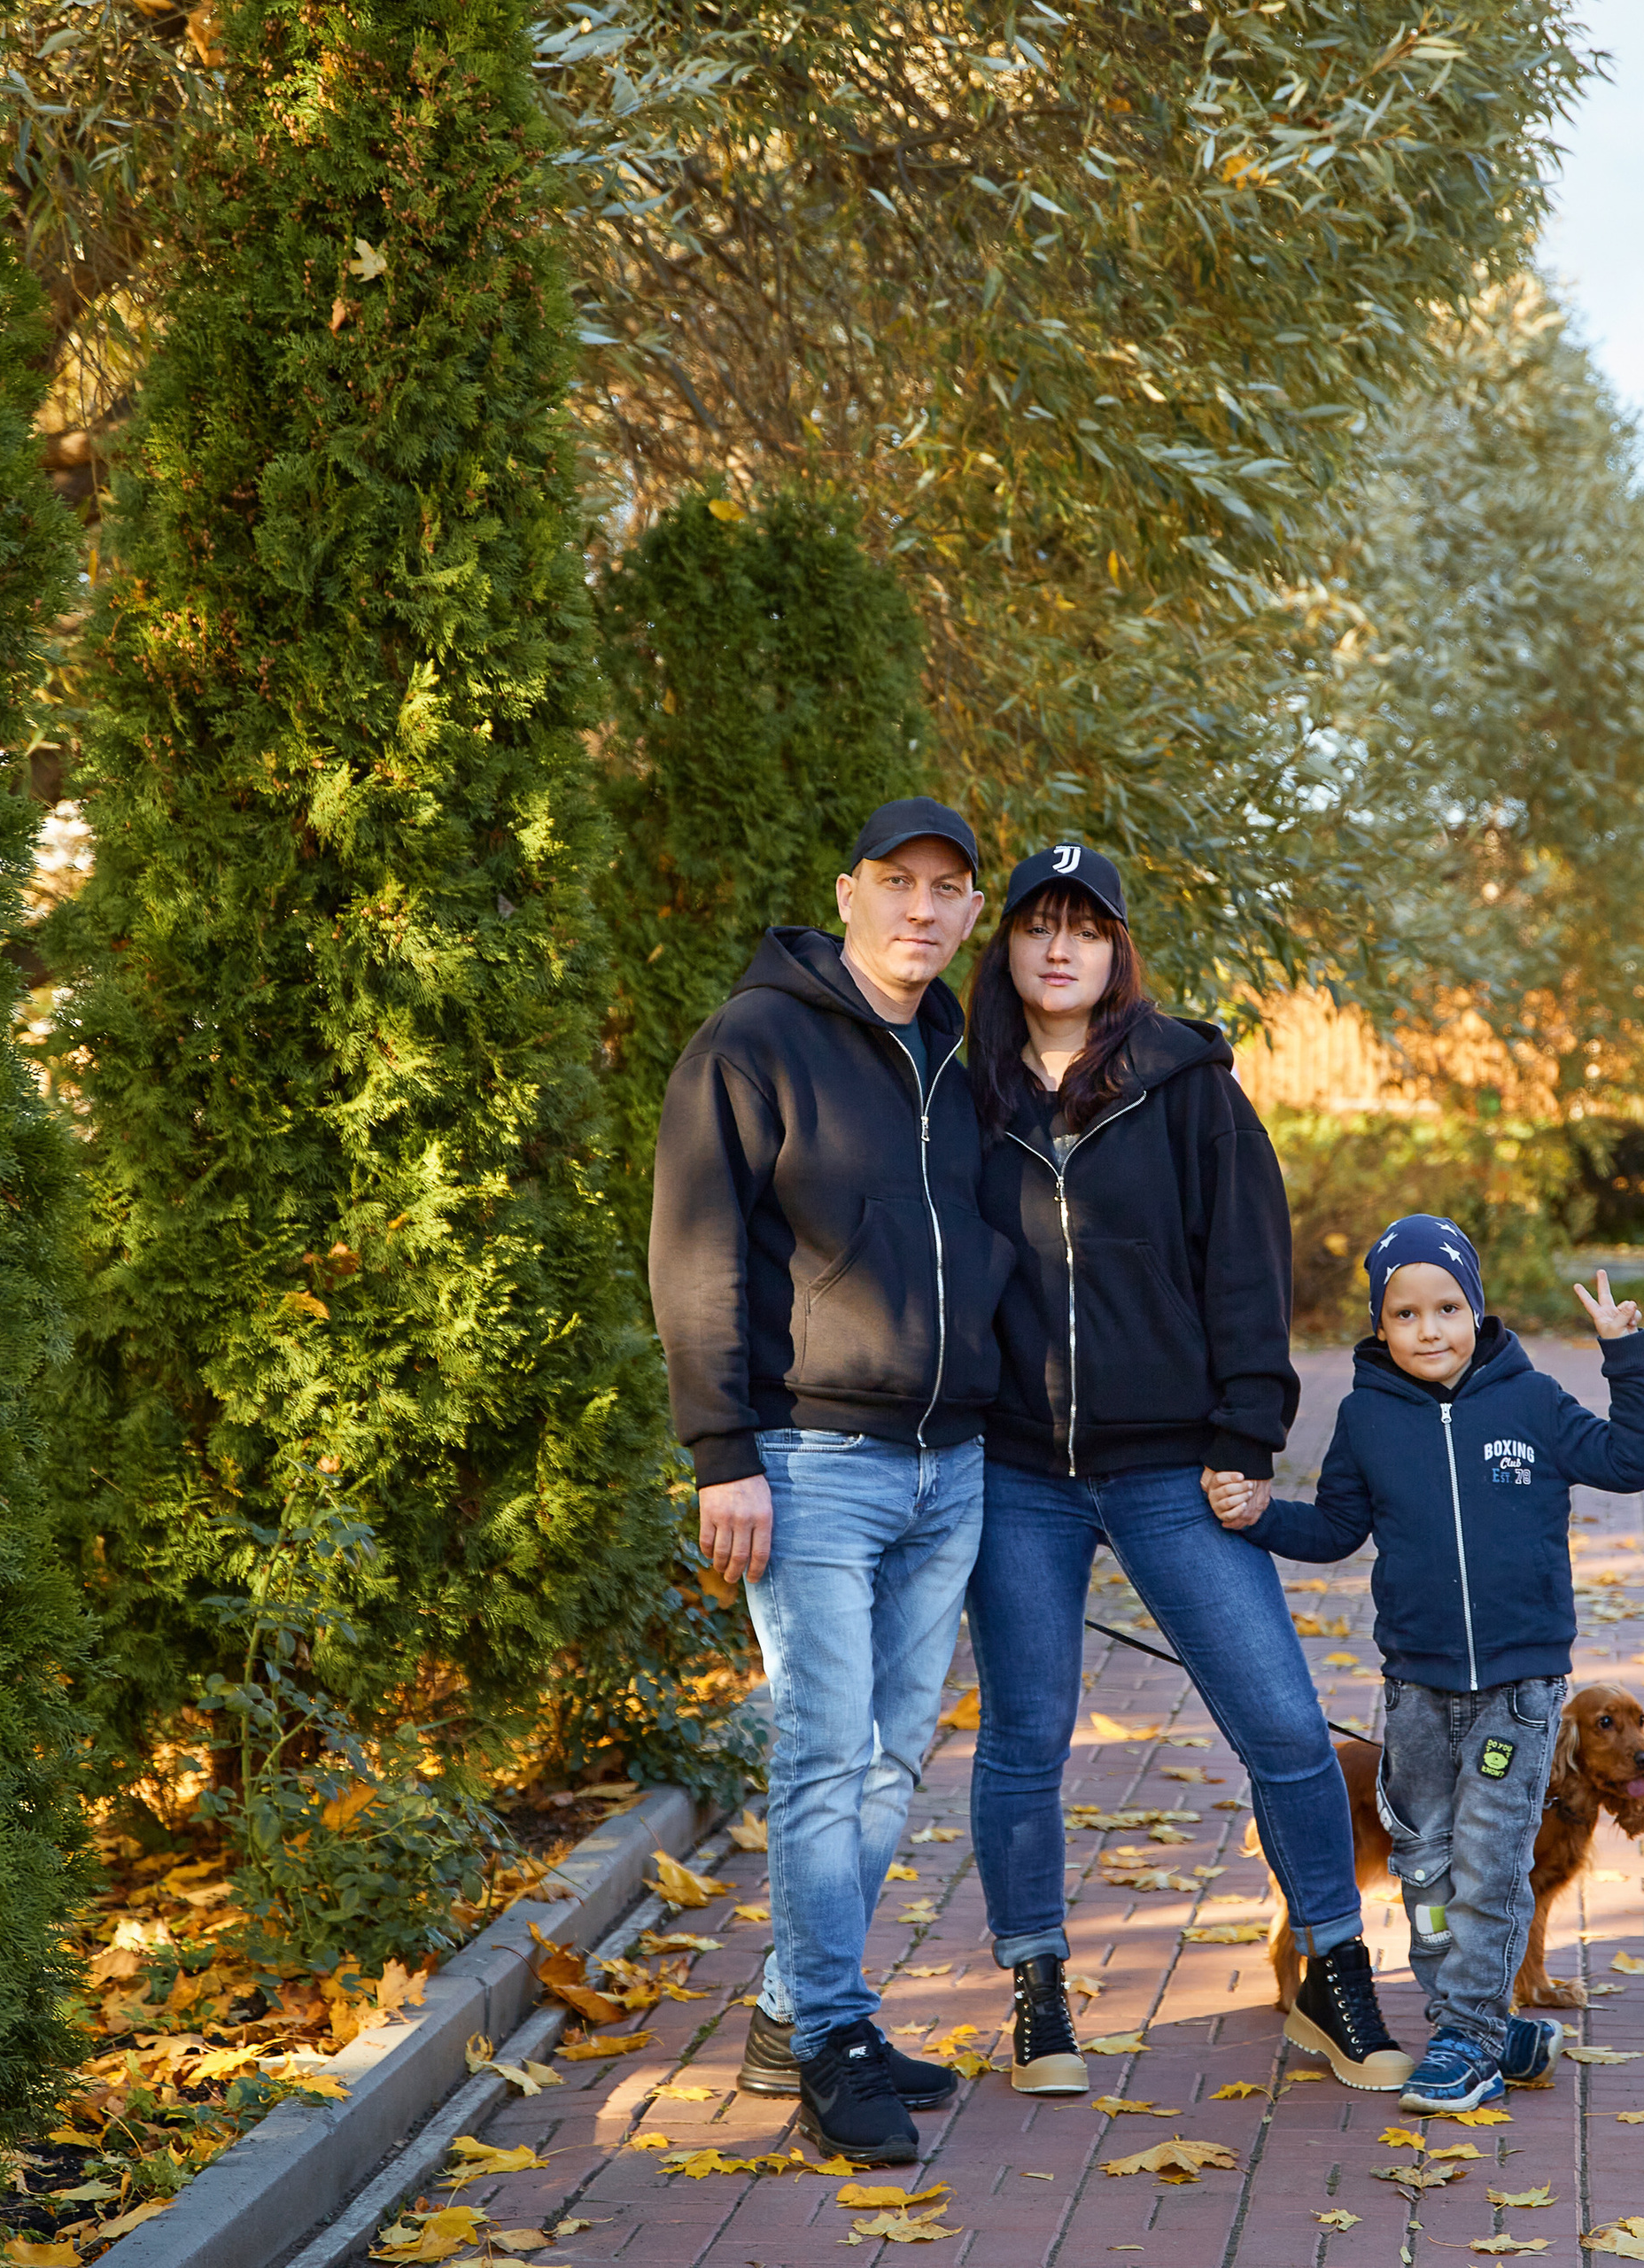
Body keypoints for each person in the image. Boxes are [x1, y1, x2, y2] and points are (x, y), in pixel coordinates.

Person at [962, 845, 1412, 2096]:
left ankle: (1334, 1972)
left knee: (1279, 1721)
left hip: (1174, 1468)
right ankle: (1038, 1992)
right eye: (1038, 928)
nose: (1061, 950)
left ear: (1118, 952)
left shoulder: (1189, 1084)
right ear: (1005, 947)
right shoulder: (964, 1090)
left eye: (1087, 930)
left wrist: (1243, 1437)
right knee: (1024, 1738)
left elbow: (1247, 1266)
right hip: (1015, 1475)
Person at [648, 796, 1014, 2167]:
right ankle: (829, 2042)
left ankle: (797, 2009)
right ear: (849, 892)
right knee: (822, 1755)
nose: (923, 911)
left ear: (971, 913)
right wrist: (721, 1454)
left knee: (887, 1761)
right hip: (808, 1463)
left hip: (949, 1461)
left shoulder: (953, 1059)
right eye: (898, 884)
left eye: (948, 892)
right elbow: (695, 1252)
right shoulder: (754, 1041)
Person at [1207, 1218, 1644, 2115]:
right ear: (1380, 1323)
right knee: (1423, 1866)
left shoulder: (1529, 1401)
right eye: (1405, 1311)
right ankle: (1484, 2023)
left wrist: (1625, 1354)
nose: (1429, 1328)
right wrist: (1257, 1513)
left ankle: (1466, 2038)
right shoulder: (1367, 1417)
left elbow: (1631, 1459)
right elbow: (1335, 1528)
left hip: (1516, 1695)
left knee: (1491, 1860)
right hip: (1416, 1691)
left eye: (1447, 1307)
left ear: (1476, 1309)